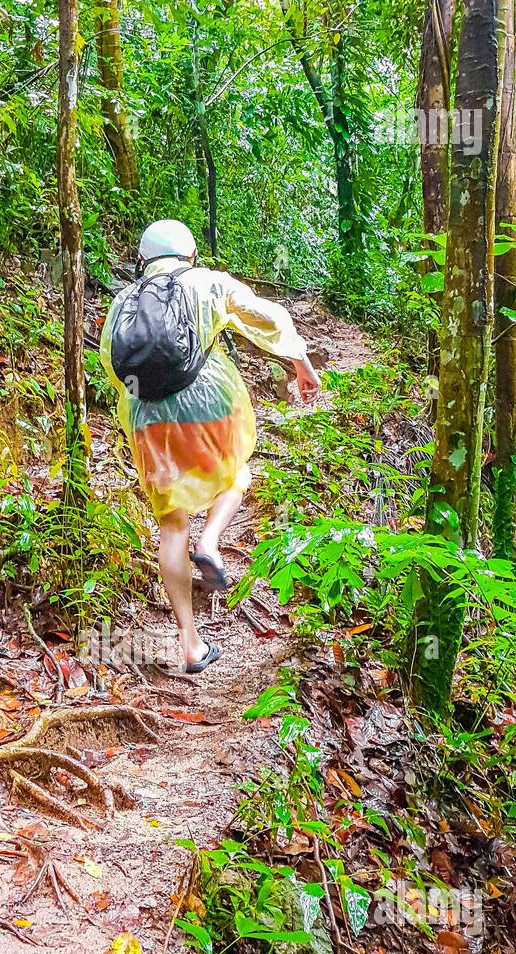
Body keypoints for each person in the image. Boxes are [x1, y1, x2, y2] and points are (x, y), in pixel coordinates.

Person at [100, 218, 320, 673]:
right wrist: (299, 361)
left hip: (148, 421)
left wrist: (138, 422)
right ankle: (213, 542)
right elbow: (267, 317)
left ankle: (189, 644)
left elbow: (114, 367)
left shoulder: (122, 302)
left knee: (170, 526)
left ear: (142, 259)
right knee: (238, 471)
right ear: (190, 255)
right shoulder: (207, 282)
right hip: (212, 406)